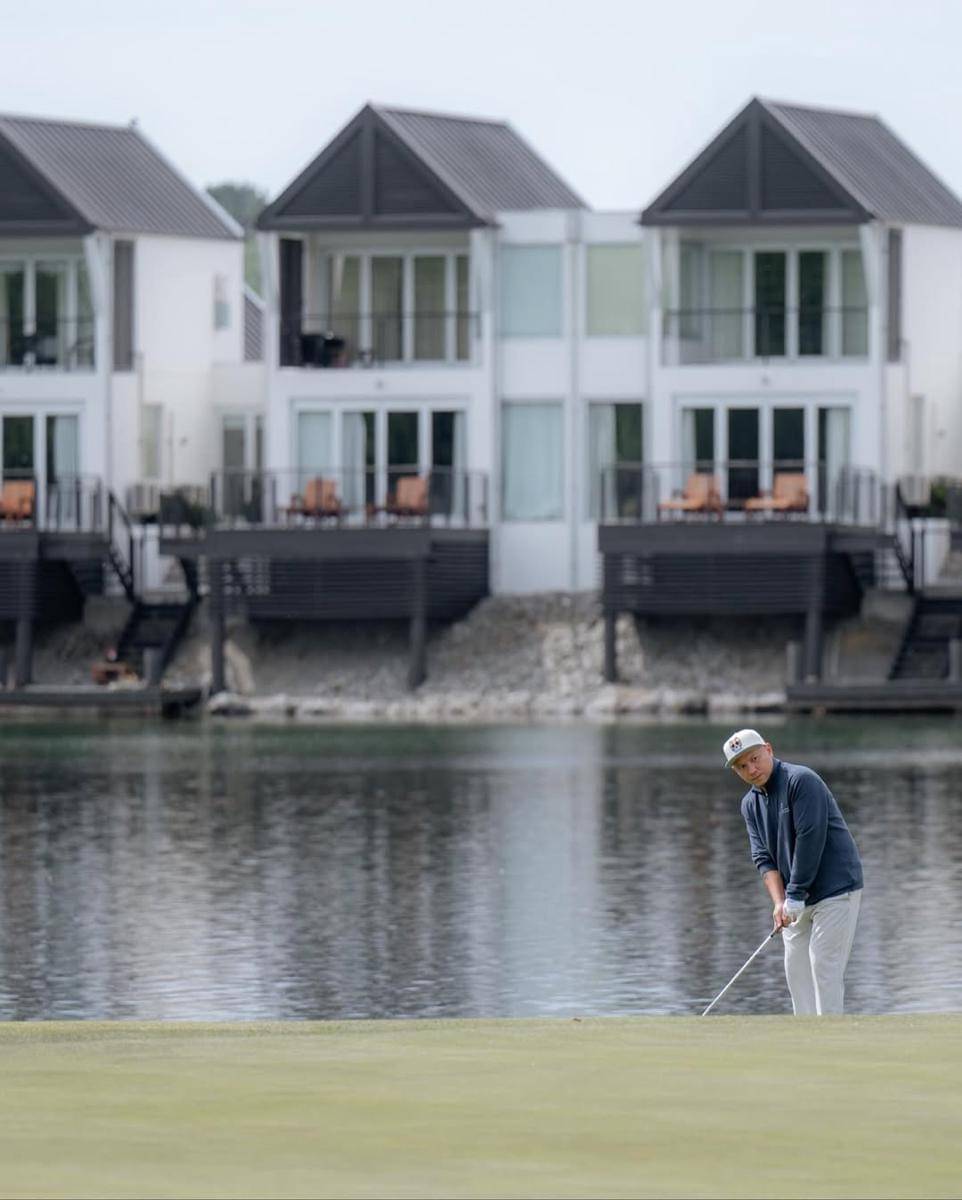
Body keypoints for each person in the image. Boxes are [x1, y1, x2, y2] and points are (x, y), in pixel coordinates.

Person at [723, 728, 863, 1016]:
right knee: (795, 970)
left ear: (769, 750)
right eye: (742, 766)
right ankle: (807, 1041)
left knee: (823, 963)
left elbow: (810, 838)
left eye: (755, 758)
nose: (751, 769)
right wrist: (779, 901)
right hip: (794, 897)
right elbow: (762, 857)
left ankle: (832, 1040)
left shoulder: (801, 781)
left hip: (835, 888)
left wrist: (795, 894)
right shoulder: (750, 804)